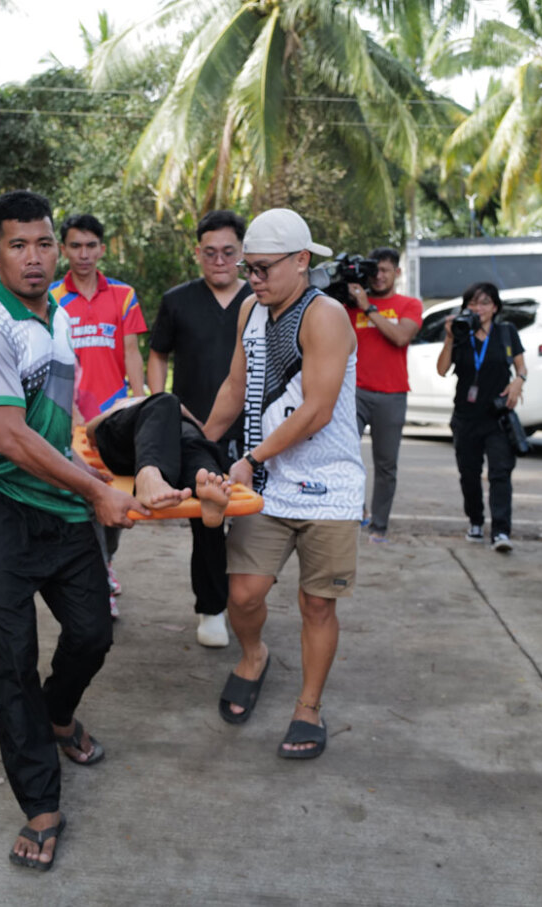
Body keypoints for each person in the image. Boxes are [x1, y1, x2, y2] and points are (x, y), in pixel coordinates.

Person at [0, 190, 146, 871]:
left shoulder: (61, 316)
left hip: (59, 497)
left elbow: (58, 424)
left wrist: (105, 468)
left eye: (43, 244)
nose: (33, 258)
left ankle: (57, 715)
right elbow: (8, 437)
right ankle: (40, 803)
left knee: (94, 630)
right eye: (18, 245)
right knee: (12, 656)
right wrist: (96, 491)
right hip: (0, 504)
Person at [202, 207, 363, 761]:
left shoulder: (327, 316)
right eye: (249, 267)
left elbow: (317, 409)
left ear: (302, 261)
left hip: (329, 486)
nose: (253, 279)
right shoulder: (252, 308)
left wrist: (249, 457)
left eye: (264, 268)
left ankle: (309, 707)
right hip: (268, 484)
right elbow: (234, 386)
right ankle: (253, 656)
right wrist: (197, 446)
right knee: (242, 594)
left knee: (317, 604)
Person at [146, 210, 253, 647]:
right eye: (210, 252)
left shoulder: (262, 299)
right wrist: (160, 409)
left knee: (250, 522)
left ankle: (246, 601)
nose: (220, 260)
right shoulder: (178, 300)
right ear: (197, 254)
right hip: (196, 432)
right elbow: (157, 354)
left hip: (255, 431)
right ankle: (211, 608)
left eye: (229, 252)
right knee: (207, 520)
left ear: (243, 253)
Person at [49, 213, 148, 617]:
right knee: (81, 501)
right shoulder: (53, 296)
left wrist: (139, 402)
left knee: (114, 500)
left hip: (114, 419)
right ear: (63, 250)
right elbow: (53, 358)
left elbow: (131, 352)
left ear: (102, 249)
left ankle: (104, 564)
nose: (83, 254)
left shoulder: (123, 295)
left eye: (91, 246)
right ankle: (95, 578)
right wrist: (67, 410)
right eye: (75, 246)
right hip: (69, 418)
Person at [436, 281, 527, 553]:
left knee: (500, 473)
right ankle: (475, 521)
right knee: (469, 474)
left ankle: (501, 531)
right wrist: (450, 337)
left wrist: (519, 381)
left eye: (485, 302)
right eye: (473, 303)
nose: (479, 308)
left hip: (497, 416)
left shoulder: (507, 332)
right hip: (466, 417)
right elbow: (441, 370)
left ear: (495, 307)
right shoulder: (462, 332)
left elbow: (521, 366)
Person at [341, 247, 422, 543]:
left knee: (386, 464)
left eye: (386, 270)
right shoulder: (351, 305)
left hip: (392, 393)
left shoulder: (409, 304)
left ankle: (380, 524)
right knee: (346, 453)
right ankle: (353, 511)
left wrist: (369, 309)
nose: (379, 276)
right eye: (375, 270)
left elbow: (401, 337)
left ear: (397, 273)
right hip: (355, 392)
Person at [85, 392, 233, 527]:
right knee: (166, 401)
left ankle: (206, 483)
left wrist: (184, 416)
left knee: (191, 439)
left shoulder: (167, 407)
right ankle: (148, 475)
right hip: (126, 446)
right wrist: (117, 409)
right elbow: (91, 431)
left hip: (169, 446)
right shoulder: (123, 405)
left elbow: (195, 425)